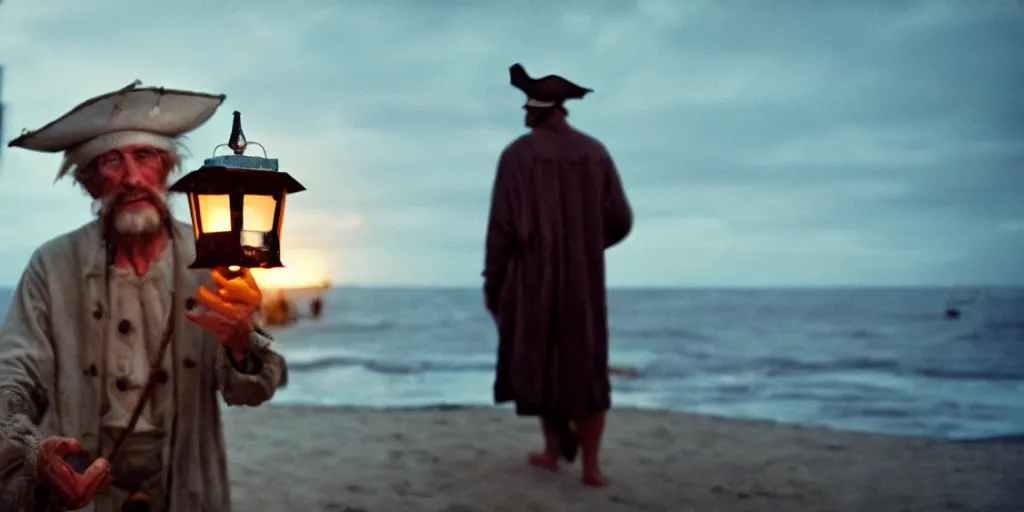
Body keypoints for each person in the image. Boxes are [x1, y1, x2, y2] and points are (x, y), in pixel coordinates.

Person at [0, 82, 287, 511]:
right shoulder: (52, 264)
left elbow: (255, 389)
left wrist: (243, 343)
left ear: (167, 170)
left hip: (186, 480)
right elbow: (14, 377)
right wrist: (29, 452)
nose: (132, 177)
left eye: (145, 156)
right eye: (112, 160)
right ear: (90, 182)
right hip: (80, 489)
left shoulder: (218, 261)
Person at [482, 63, 633, 487]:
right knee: (585, 366)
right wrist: (583, 247)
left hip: (529, 280)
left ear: (544, 110)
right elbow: (620, 219)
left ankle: (553, 452)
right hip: (583, 284)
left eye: (529, 107)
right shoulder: (595, 152)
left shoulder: (516, 156)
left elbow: (501, 228)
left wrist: (492, 282)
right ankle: (590, 467)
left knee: (541, 363)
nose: (524, 114)